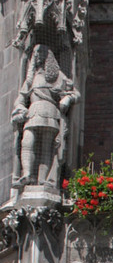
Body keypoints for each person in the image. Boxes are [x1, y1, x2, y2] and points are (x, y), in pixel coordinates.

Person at [11, 44, 79, 189]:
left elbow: (75, 93)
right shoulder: (31, 78)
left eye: (39, 53)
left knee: (47, 147)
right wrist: (20, 108)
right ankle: (27, 174)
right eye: (35, 53)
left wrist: (67, 99)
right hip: (33, 112)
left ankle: (43, 179)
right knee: (27, 141)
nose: (36, 56)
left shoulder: (56, 75)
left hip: (50, 112)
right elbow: (21, 97)